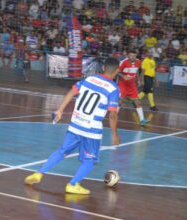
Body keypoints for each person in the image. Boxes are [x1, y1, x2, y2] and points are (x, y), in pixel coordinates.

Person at [24, 58, 121, 195]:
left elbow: (72, 91)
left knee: (62, 151)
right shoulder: (113, 89)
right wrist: (114, 135)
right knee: (90, 160)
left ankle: (39, 173)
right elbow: (112, 115)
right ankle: (73, 184)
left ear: (103, 68)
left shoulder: (89, 79)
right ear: (117, 71)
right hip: (91, 130)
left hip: (75, 124)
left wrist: (60, 110)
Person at [118, 50, 149, 125]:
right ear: (128, 56)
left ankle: (142, 120)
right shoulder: (123, 62)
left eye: (134, 56)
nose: (133, 57)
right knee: (120, 102)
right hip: (123, 84)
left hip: (132, 85)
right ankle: (114, 117)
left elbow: (137, 71)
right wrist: (123, 76)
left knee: (137, 102)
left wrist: (138, 80)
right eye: (131, 56)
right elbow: (117, 71)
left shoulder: (138, 62)